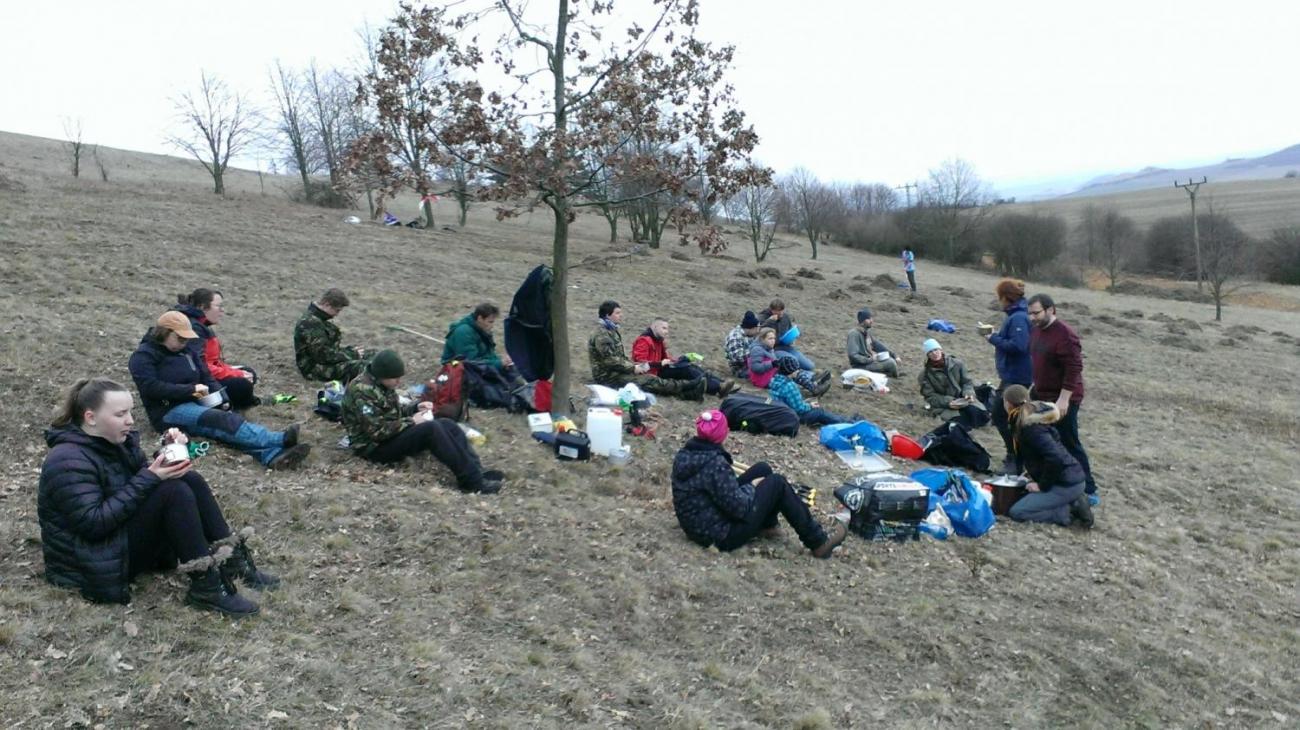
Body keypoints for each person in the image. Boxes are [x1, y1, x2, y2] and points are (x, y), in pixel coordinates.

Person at [38, 379, 277, 615]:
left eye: (130, 412)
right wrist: (152, 476)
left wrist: (167, 452)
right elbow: (93, 524)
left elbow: (136, 481)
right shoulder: (66, 459)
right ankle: (206, 585)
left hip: (115, 542)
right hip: (90, 561)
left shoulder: (114, 441)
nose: (130, 421)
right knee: (172, 492)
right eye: (121, 414)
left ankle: (232, 560)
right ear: (90, 418)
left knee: (187, 479)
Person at [129, 312, 310, 469]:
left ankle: (271, 456)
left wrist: (220, 398)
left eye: (186, 339)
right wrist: (190, 390)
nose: (184, 343)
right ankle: (277, 440)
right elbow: (151, 388)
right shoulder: (143, 356)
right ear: (164, 333)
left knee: (222, 426)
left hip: (196, 398)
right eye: (180, 338)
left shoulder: (187, 352)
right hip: (168, 411)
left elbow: (206, 375)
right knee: (220, 421)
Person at [671, 409, 847, 558]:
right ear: (721, 434)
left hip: (700, 524)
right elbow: (739, 507)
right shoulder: (715, 464)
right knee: (777, 483)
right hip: (721, 535)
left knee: (762, 469)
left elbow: (720, 492)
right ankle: (818, 542)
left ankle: (767, 526)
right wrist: (753, 486)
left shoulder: (686, 454)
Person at [341, 350, 504, 494]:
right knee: (431, 430)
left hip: (389, 436)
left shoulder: (380, 384)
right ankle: (471, 482)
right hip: (373, 448)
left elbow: (390, 412)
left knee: (447, 424)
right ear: (383, 375)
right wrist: (412, 421)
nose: (398, 382)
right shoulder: (362, 391)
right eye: (395, 378)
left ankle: (476, 471)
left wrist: (414, 408)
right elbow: (377, 431)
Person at [1027, 293, 1097, 502]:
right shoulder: (1038, 331)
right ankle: (1049, 478)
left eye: (1036, 313)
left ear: (1051, 310)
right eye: (1029, 313)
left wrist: (1064, 399)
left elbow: (1074, 368)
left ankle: (1089, 489)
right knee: (1043, 439)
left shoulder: (1066, 335)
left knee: (1068, 441)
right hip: (1041, 393)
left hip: (1063, 398)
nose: (1032, 318)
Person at [1001, 385, 1094, 528]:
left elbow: (1055, 458)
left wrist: (1041, 485)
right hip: (1065, 478)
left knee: (1017, 512)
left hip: (1066, 483)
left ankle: (1069, 511)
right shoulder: (1029, 420)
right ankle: (1069, 500)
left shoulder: (1030, 429)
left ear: (1008, 404)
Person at [588, 300, 706, 401]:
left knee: (648, 378)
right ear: (608, 315)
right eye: (617, 313)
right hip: (608, 376)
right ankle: (687, 386)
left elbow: (618, 358)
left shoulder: (610, 331)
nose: (621, 315)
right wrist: (633, 368)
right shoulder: (602, 334)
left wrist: (633, 366)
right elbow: (610, 360)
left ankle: (689, 393)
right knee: (648, 380)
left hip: (617, 370)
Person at [174, 288, 259, 410]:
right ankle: (233, 405)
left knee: (248, 373)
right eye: (218, 306)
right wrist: (236, 374)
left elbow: (212, 362)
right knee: (242, 384)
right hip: (197, 382)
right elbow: (200, 366)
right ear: (203, 307)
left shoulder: (201, 325)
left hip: (207, 374)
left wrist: (235, 372)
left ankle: (242, 401)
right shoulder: (194, 328)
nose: (222, 310)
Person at [749, 328, 851, 426]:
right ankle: (848, 422)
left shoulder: (776, 381)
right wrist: (809, 405)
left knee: (799, 374)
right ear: (762, 339)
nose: (773, 341)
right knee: (820, 412)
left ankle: (813, 380)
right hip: (790, 412)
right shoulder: (789, 386)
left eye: (774, 338)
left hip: (776, 388)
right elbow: (799, 408)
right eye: (770, 338)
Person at [984, 279, 1033, 473]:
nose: (999, 301)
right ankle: (1015, 456)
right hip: (1013, 374)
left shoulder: (1019, 318)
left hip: (1017, 375)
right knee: (1005, 415)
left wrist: (993, 338)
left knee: (1001, 414)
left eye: (1000, 297)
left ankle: (1016, 458)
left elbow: (1019, 346)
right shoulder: (1016, 315)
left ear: (1006, 298)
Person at [632, 318, 739, 397]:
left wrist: (680, 359)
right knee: (686, 370)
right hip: (654, 374)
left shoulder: (658, 340)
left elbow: (665, 358)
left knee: (689, 365)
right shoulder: (644, 341)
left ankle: (721, 383)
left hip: (660, 368)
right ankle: (718, 388)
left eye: (667, 328)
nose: (667, 331)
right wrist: (660, 364)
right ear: (654, 327)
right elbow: (640, 363)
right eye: (664, 328)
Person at [293, 288, 371, 382]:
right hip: (315, 369)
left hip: (325, 363)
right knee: (365, 367)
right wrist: (352, 353)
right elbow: (323, 356)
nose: (336, 314)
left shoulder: (318, 320)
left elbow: (328, 350)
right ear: (327, 305)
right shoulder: (310, 323)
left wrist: (350, 351)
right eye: (337, 310)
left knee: (372, 355)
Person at [758, 298, 829, 382]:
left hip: (785, 346)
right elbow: (758, 333)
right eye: (777, 311)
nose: (780, 314)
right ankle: (811, 376)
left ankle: (810, 373)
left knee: (809, 365)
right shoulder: (762, 318)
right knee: (793, 361)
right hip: (773, 349)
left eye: (781, 311)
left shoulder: (785, 317)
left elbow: (789, 330)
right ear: (771, 310)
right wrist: (770, 321)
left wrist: (792, 337)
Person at [918, 338, 982, 425]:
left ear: (940, 349)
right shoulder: (924, 375)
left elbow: (967, 382)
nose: (934, 353)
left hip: (964, 400)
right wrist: (948, 402)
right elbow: (930, 397)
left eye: (936, 349)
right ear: (927, 355)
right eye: (930, 352)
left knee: (982, 416)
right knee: (960, 422)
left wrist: (968, 393)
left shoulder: (958, 364)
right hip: (944, 406)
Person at [845, 307, 900, 378]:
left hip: (868, 363)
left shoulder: (865, 333)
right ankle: (895, 377)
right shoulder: (854, 334)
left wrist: (894, 355)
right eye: (868, 319)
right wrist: (870, 359)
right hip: (860, 366)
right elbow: (853, 355)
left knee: (890, 359)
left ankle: (886, 375)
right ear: (862, 321)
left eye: (871, 318)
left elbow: (877, 345)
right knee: (891, 363)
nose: (871, 321)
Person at [723, 310, 761, 379]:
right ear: (752, 328)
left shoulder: (748, 335)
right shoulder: (735, 337)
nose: (758, 332)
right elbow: (738, 358)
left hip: (751, 363)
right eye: (757, 329)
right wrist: (757, 353)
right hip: (740, 369)